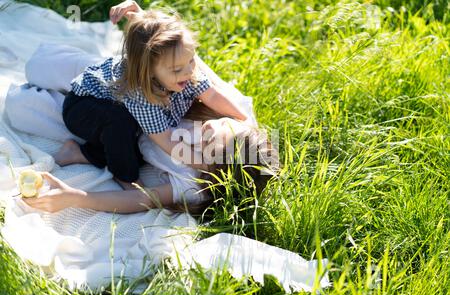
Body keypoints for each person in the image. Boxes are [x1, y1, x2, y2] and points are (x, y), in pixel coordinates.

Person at [55, 1, 248, 191]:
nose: (188, 71)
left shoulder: (187, 73)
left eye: (191, 60)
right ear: (149, 71)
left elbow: (212, 96)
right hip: (82, 108)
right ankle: (124, 177)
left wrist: (243, 119)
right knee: (121, 126)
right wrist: (205, 166)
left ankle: (81, 153)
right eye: (177, 69)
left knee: (138, 149)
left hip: (115, 105)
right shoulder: (141, 92)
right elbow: (167, 140)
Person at [23, 114, 279, 215]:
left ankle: (82, 153)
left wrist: (76, 197)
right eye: (224, 123)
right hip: (142, 107)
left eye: (209, 140)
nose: (211, 126)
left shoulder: (193, 184)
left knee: (25, 110)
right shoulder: (229, 127)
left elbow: (140, 199)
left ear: (213, 172)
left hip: (125, 134)